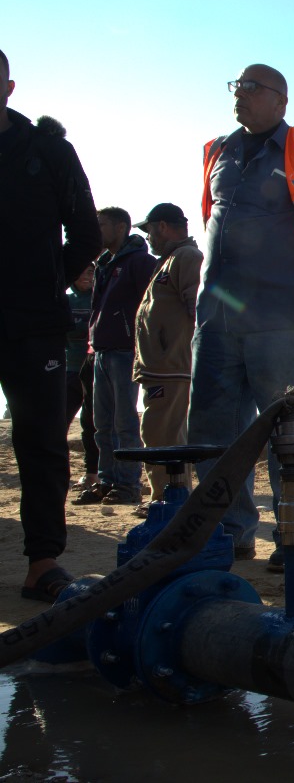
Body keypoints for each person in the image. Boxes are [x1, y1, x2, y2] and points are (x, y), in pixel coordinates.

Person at [189, 64, 294, 568]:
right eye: (236, 87)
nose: (240, 95)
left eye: (251, 88)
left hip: (282, 316)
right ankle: (230, 532)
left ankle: (293, 533)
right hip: (217, 317)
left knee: (287, 433)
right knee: (211, 431)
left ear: (281, 100)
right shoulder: (218, 151)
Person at [0, 47, 102, 601]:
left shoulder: (48, 151)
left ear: (9, 87)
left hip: (33, 321)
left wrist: (43, 281)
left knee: (41, 440)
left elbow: (86, 233)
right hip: (34, 311)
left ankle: (43, 562)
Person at [78, 206, 156, 506]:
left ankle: (128, 484)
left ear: (121, 227)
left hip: (125, 351)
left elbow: (150, 305)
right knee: (102, 424)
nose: (96, 230)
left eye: (101, 224)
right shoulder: (104, 264)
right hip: (100, 350)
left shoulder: (140, 261)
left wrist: (141, 343)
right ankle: (107, 480)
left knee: (124, 422)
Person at [132, 203, 202, 499]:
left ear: (162, 226)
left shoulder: (186, 257)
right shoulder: (171, 259)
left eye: (149, 231)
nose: (148, 238)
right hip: (162, 367)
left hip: (172, 368)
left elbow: (197, 308)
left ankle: (168, 499)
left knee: (163, 436)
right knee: (158, 433)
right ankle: (168, 497)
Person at [65, 264, 98, 492]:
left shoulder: (98, 299)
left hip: (93, 370)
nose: (86, 276)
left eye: (90, 271)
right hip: (69, 369)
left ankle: (92, 474)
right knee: (58, 422)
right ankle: (59, 472)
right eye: (82, 271)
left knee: (91, 424)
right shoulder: (66, 300)